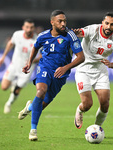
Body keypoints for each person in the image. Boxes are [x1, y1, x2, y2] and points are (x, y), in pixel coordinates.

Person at [18, 10, 84, 141]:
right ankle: (33, 130)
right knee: (41, 91)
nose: (63, 23)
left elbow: (81, 57)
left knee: (42, 104)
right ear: (52, 22)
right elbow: (35, 47)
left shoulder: (70, 35)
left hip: (60, 75)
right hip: (45, 68)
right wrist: (29, 62)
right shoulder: (43, 36)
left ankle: (30, 107)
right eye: (60, 21)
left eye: (65, 21)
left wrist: (65, 68)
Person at [73, 12, 113, 129]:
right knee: (87, 104)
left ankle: (97, 128)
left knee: (105, 104)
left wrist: (111, 64)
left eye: (112, 24)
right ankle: (79, 110)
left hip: (100, 71)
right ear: (102, 23)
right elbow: (80, 33)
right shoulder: (92, 30)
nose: (108, 27)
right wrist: (74, 33)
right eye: (106, 23)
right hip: (83, 69)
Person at [0, 19, 41, 114]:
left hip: (27, 69)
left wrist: (33, 60)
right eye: (27, 27)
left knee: (17, 90)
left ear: (34, 28)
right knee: (4, 87)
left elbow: (42, 55)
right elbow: (10, 44)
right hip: (14, 65)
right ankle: (14, 84)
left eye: (31, 27)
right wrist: (3, 57)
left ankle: (8, 104)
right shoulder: (17, 35)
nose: (29, 29)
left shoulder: (38, 39)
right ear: (23, 28)